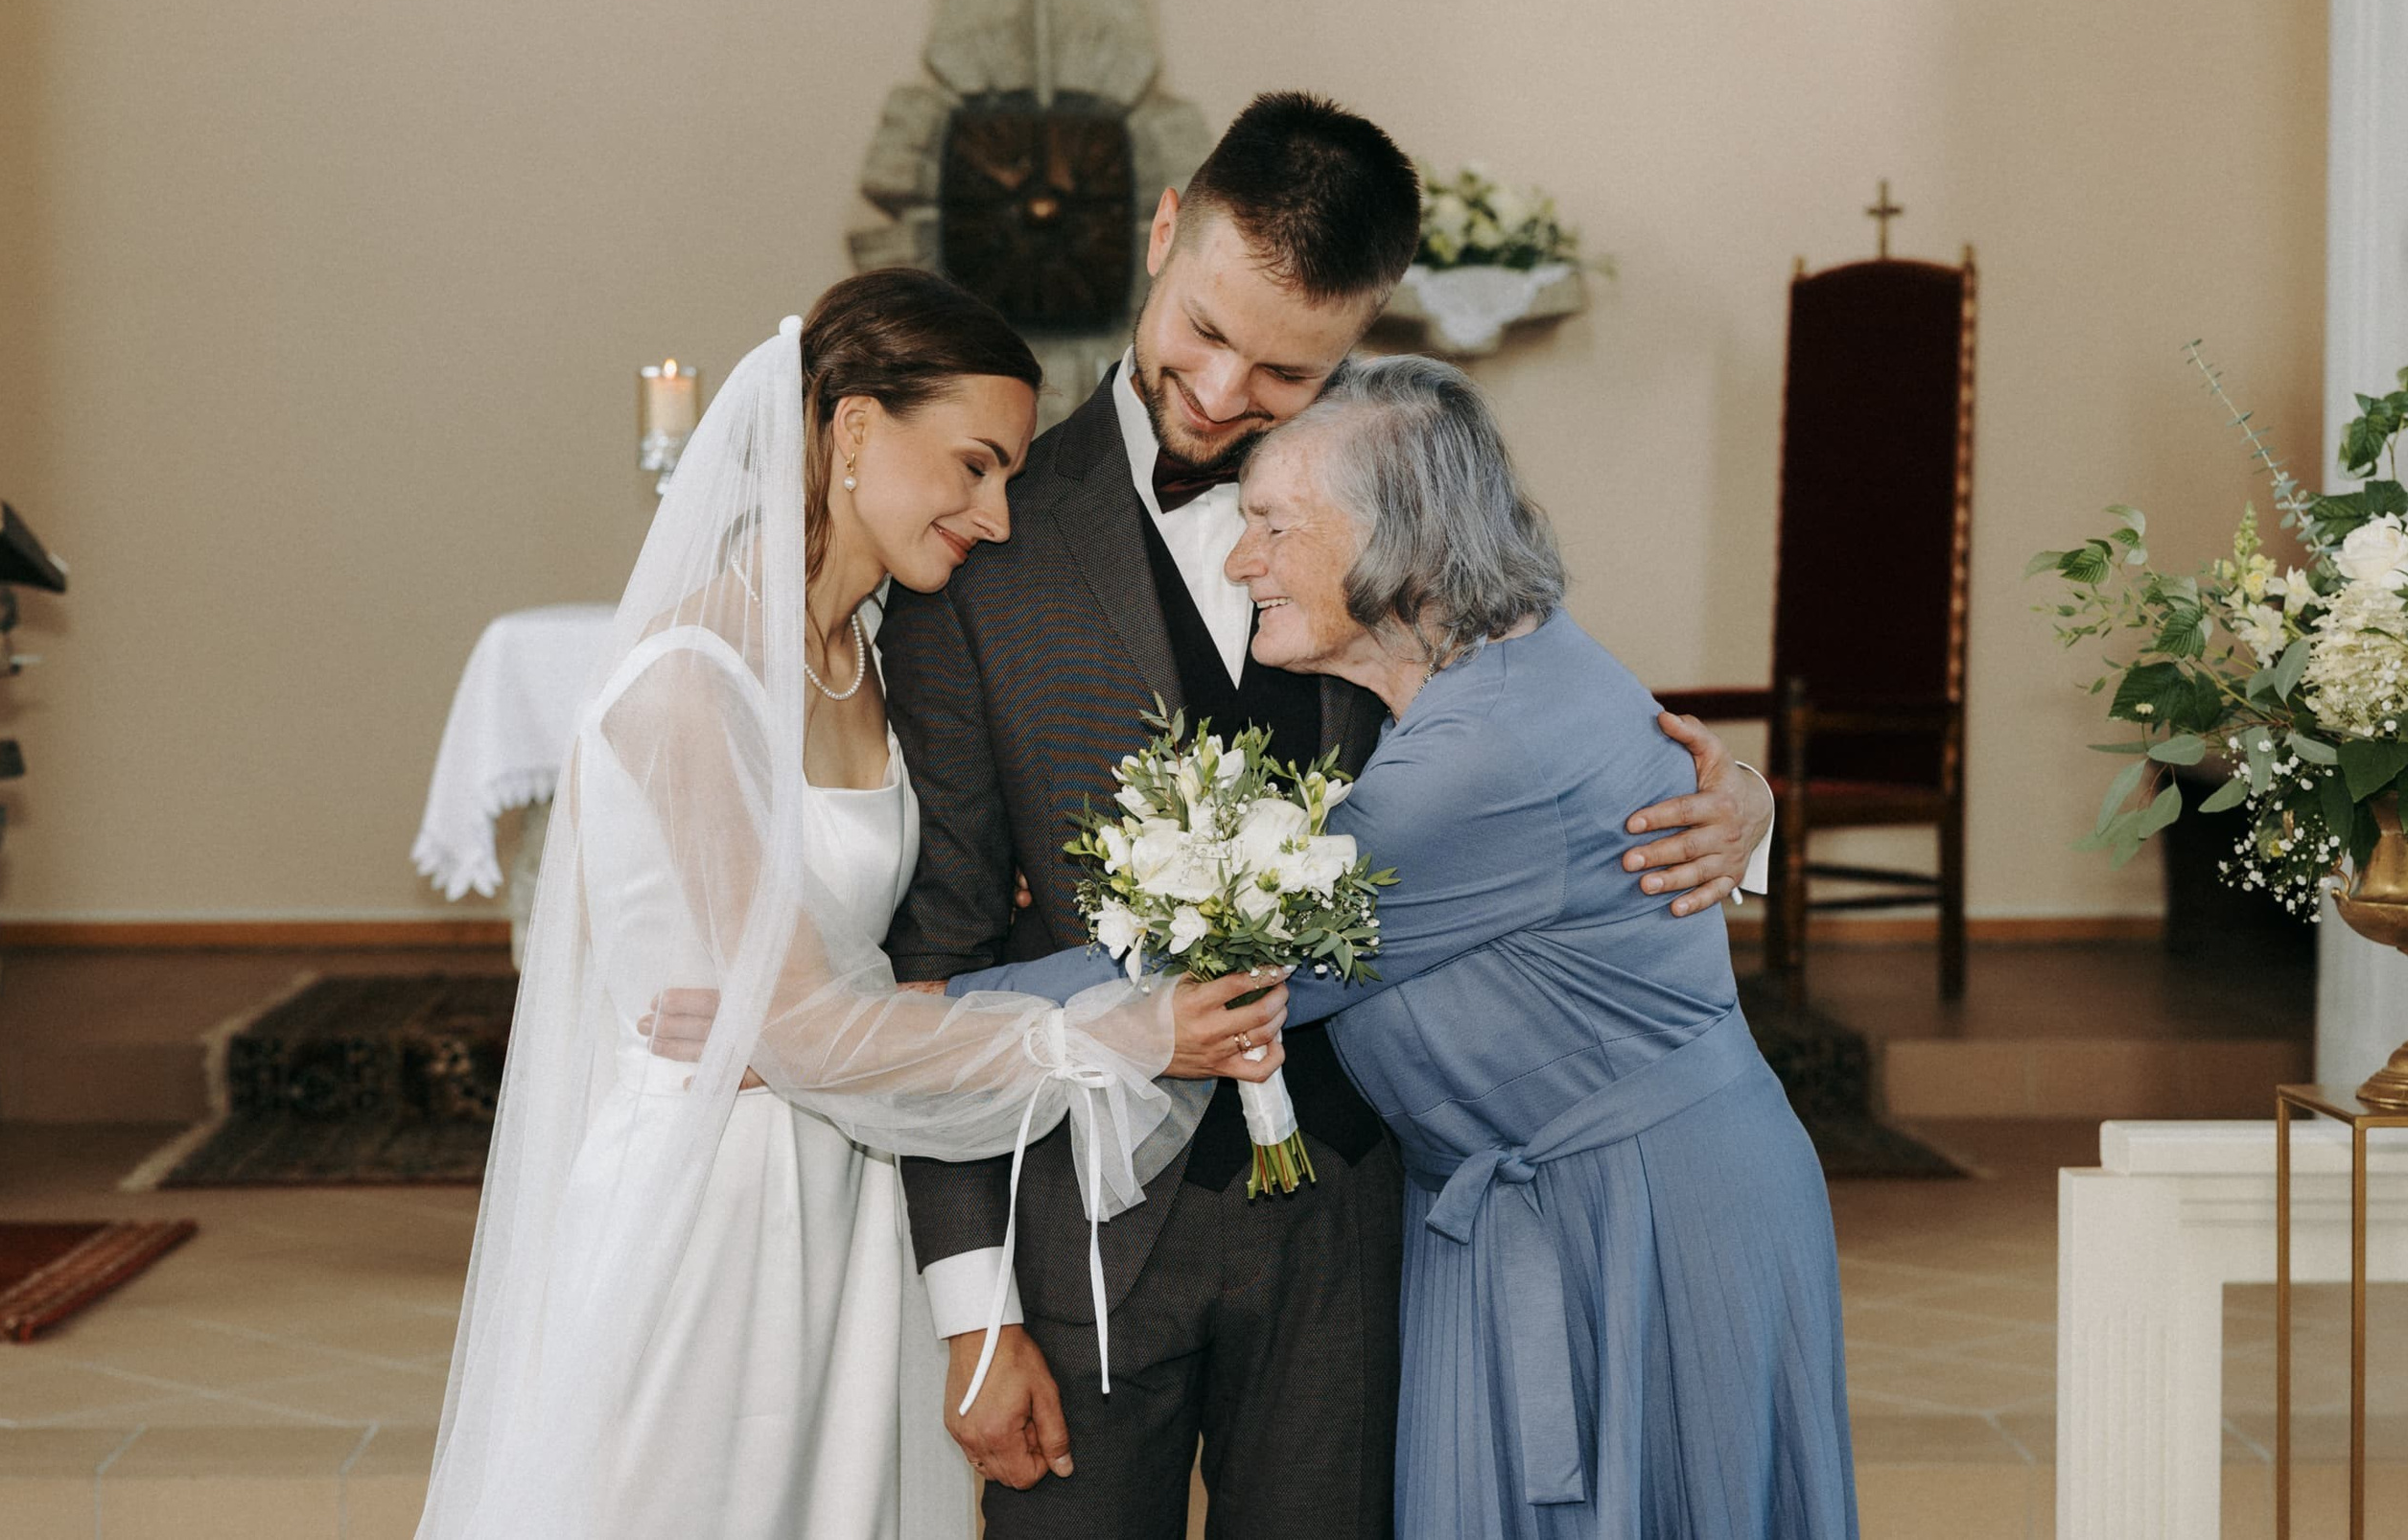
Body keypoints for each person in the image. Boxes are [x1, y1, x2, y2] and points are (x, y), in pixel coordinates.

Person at [877, 92, 1780, 1538]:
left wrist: (1739, 803)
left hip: (1367, 1218)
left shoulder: (1402, 498)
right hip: (1084, 1232)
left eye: (1287, 368)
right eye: (1205, 330)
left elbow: (1548, 718)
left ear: (1358, 338)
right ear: (1166, 231)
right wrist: (973, 1308)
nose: (1226, 390)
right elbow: (942, 930)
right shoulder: (983, 544)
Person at [414, 268, 1290, 1540]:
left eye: (1010, 478)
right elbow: (809, 1031)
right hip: (711, 1209)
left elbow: (844, 997)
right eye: (975, 466)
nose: (997, 517)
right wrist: (1121, 1031)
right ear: (855, 430)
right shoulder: (690, 684)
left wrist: (854, 1015)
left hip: (858, 1179)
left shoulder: (876, 655)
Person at [1233, 357, 1856, 1538]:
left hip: (1640, 1224)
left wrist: (917, 1018)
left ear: (1401, 545)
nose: (1240, 559)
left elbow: (1238, 972)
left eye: (1271, 525)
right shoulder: (1519, 663)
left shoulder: (1479, 755)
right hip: (1581, 1206)